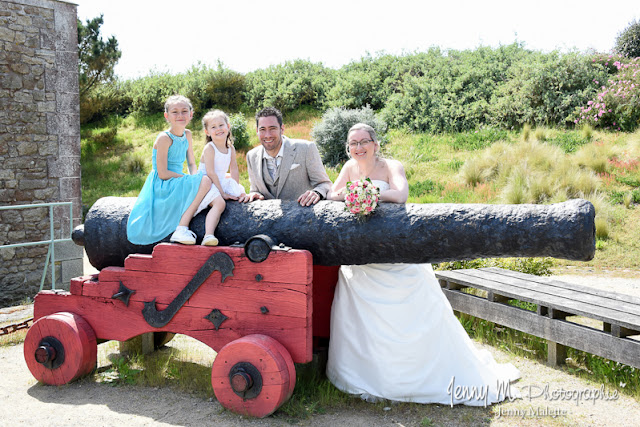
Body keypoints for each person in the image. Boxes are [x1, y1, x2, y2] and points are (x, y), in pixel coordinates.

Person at [326, 123, 520, 406]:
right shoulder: (348, 168)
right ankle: (368, 376)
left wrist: (370, 195)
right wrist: (351, 195)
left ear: (375, 144)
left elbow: (401, 194)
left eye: (364, 141)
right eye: (352, 143)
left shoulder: (392, 166)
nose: (358, 148)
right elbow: (333, 194)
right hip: (362, 258)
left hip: (394, 249)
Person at [127, 95, 215, 245]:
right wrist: (190, 180)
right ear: (167, 116)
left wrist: (194, 179)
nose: (180, 115)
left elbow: (192, 164)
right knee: (205, 181)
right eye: (175, 112)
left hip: (178, 178)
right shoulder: (164, 138)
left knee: (207, 184)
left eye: (184, 111)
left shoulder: (187, 134)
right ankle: (182, 228)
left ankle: (209, 230)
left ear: (191, 114)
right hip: (163, 183)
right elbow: (162, 173)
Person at [238, 107, 331, 206]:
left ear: (282, 129)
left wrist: (316, 193)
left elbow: (325, 184)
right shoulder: (251, 156)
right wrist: (254, 194)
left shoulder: (306, 148)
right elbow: (255, 190)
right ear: (257, 131)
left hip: (303, 217)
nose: (267, 135)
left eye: (272, 128)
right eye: (262, 129)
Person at [197, 110, 246, 246]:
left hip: (220, 180)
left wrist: (235, 187)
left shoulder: (230, 148)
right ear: (207, 132)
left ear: (228, 126)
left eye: (221, 125)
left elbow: (234, 168)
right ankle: (208, 235)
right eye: (213, 127)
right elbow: (211, 172)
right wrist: (223, 193)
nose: (218, 129)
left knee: (240, 193)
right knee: (220, 203)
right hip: (206, 182)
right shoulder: (210, 148)